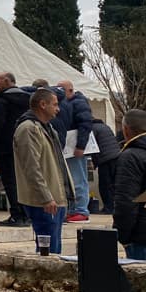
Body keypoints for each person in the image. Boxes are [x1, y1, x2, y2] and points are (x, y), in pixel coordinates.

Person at [13, 87, 74, 255]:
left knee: (54, 248)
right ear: (42, 104)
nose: (58, 108)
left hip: (56, 197)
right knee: (48, 251)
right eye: (55, 104)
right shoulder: (29, 129)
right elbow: (32, 167)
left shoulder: (47, 128)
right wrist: (46, 197)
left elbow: (57, 163)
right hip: (44, 201)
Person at [112, 109, 146, 261]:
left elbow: (126, 202)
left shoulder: (130, 157)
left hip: (143, 237)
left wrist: (123, 236)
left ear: (126, 130)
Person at [0, 72, 32, 227]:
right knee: (23, 181)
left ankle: (17, 214)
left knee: (10, 181)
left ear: (6, 81)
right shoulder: (27, 100)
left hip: (6, 147)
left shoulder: (3, 101)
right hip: (25, 146)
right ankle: (27, 214)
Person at [55, 80, 93, 223]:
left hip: (75, 148)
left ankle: (81, 210)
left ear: (69, 90)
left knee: (78, 178)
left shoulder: (78, 103)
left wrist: (80, 146)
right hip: (70, 147)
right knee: (73, 179)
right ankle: (75, 209)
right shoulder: (72, 103)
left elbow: (86, 124)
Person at [89, 118, 122, 214]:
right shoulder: (105, 127)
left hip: (105, 159)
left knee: (105, 185)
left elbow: (93, 147)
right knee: (114, 184)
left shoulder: (93, 129)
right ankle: (116, 207)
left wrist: (94, 163)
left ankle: (108, 208)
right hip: (117, 156)